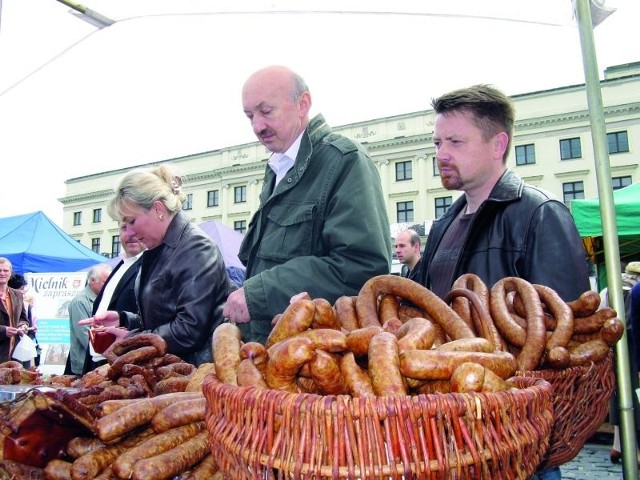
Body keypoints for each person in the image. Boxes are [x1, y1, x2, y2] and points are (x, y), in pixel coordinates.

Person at [414, 85, 590, 480]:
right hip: (451, 434)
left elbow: (569, 337)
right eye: (438, 142)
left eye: (455, 141)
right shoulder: (442, 226)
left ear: (498, 145)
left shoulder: (541, 214)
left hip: (517, 444)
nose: (441, 153)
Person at [223, 65, 392, 344]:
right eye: (249, 115)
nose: (257, 126)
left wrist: (258, 292)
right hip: (271, 347)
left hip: (315, 358)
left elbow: (362, 266)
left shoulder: (343, 160)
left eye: (266, 112)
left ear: (303, 104)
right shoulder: (278, 168)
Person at [80, 164, 231, 366]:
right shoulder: (160, 249)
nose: (129, 232)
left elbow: (189, 330)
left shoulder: (195, 248)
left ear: (158, 209)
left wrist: (130, 340)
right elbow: (160, 319)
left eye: (132, 221)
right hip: (172, 372)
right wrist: (124, 320)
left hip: (193, 376)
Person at [82, 222, 145, 374]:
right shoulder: (120, 265)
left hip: (124, 362)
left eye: (136, 227)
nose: (130, 234)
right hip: (98, 358)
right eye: (124, 228)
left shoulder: (149, 267)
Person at [604, 261, 640, 465]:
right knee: (636, 399)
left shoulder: (607, 290)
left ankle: (618, 446)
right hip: (635, 353)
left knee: (619, 395)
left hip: (617, 352)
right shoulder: (636, 291)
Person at [65, 264, 111, 375]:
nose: (108, 285)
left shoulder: (102, 299)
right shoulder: (80, 302)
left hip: (97, 360)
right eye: (105, 282)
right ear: (92, 281)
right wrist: (106, 354)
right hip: (85, 364)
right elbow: (85, 335)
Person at [8, 273, 41, 367]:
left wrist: (23, 326)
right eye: (22, 289)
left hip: (21, 347)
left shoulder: (25, 304)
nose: (23, 293)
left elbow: (24, 320)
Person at [0, 258, 30, 362]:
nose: (2, 273)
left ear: (10, 273)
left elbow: (23, 318)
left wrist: (22, 326)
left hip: (15, 353)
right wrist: (3, 331)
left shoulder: (17, 294)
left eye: (5, 270)